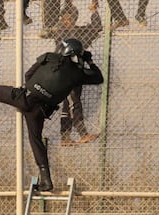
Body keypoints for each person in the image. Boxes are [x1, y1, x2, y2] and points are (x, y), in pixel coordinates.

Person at [0, 38, 104, 191]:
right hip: (40, 111)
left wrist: (37, 86)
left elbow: (28, 76)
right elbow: (98, 77)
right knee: (36, 141)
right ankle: (46, 180)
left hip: (24, 98)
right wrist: (89, 61)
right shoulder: (78, 74)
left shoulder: (49, 58)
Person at [42, 2, 102, 145]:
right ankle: (82, 133)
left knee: (67, 104)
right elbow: (56, 30)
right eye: (65, 18)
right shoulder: (60, 33)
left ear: (75, 19)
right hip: (65, 73)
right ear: (61, 19)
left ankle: (65, 137)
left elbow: (96, 28)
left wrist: (94, 12)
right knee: (74, 102)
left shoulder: (79, 32)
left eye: (71, 18)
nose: (67, 21)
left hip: (75, 73)